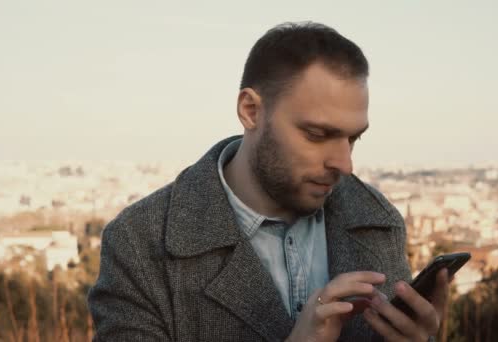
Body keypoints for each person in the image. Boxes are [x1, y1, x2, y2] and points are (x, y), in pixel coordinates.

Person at [88, 21, 449, 341]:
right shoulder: (139, 243)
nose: (345, 164)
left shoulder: (377, 221)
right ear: (251, 111)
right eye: (318, 134)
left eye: (353, 138)